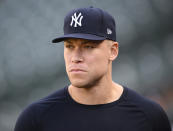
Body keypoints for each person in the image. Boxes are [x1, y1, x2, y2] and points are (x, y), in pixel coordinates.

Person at [14, 7, 171, 131]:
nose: (75, 57)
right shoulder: (35, 119)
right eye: (69, 46)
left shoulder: (150, 116)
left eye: (88, 46)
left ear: (113, 51)